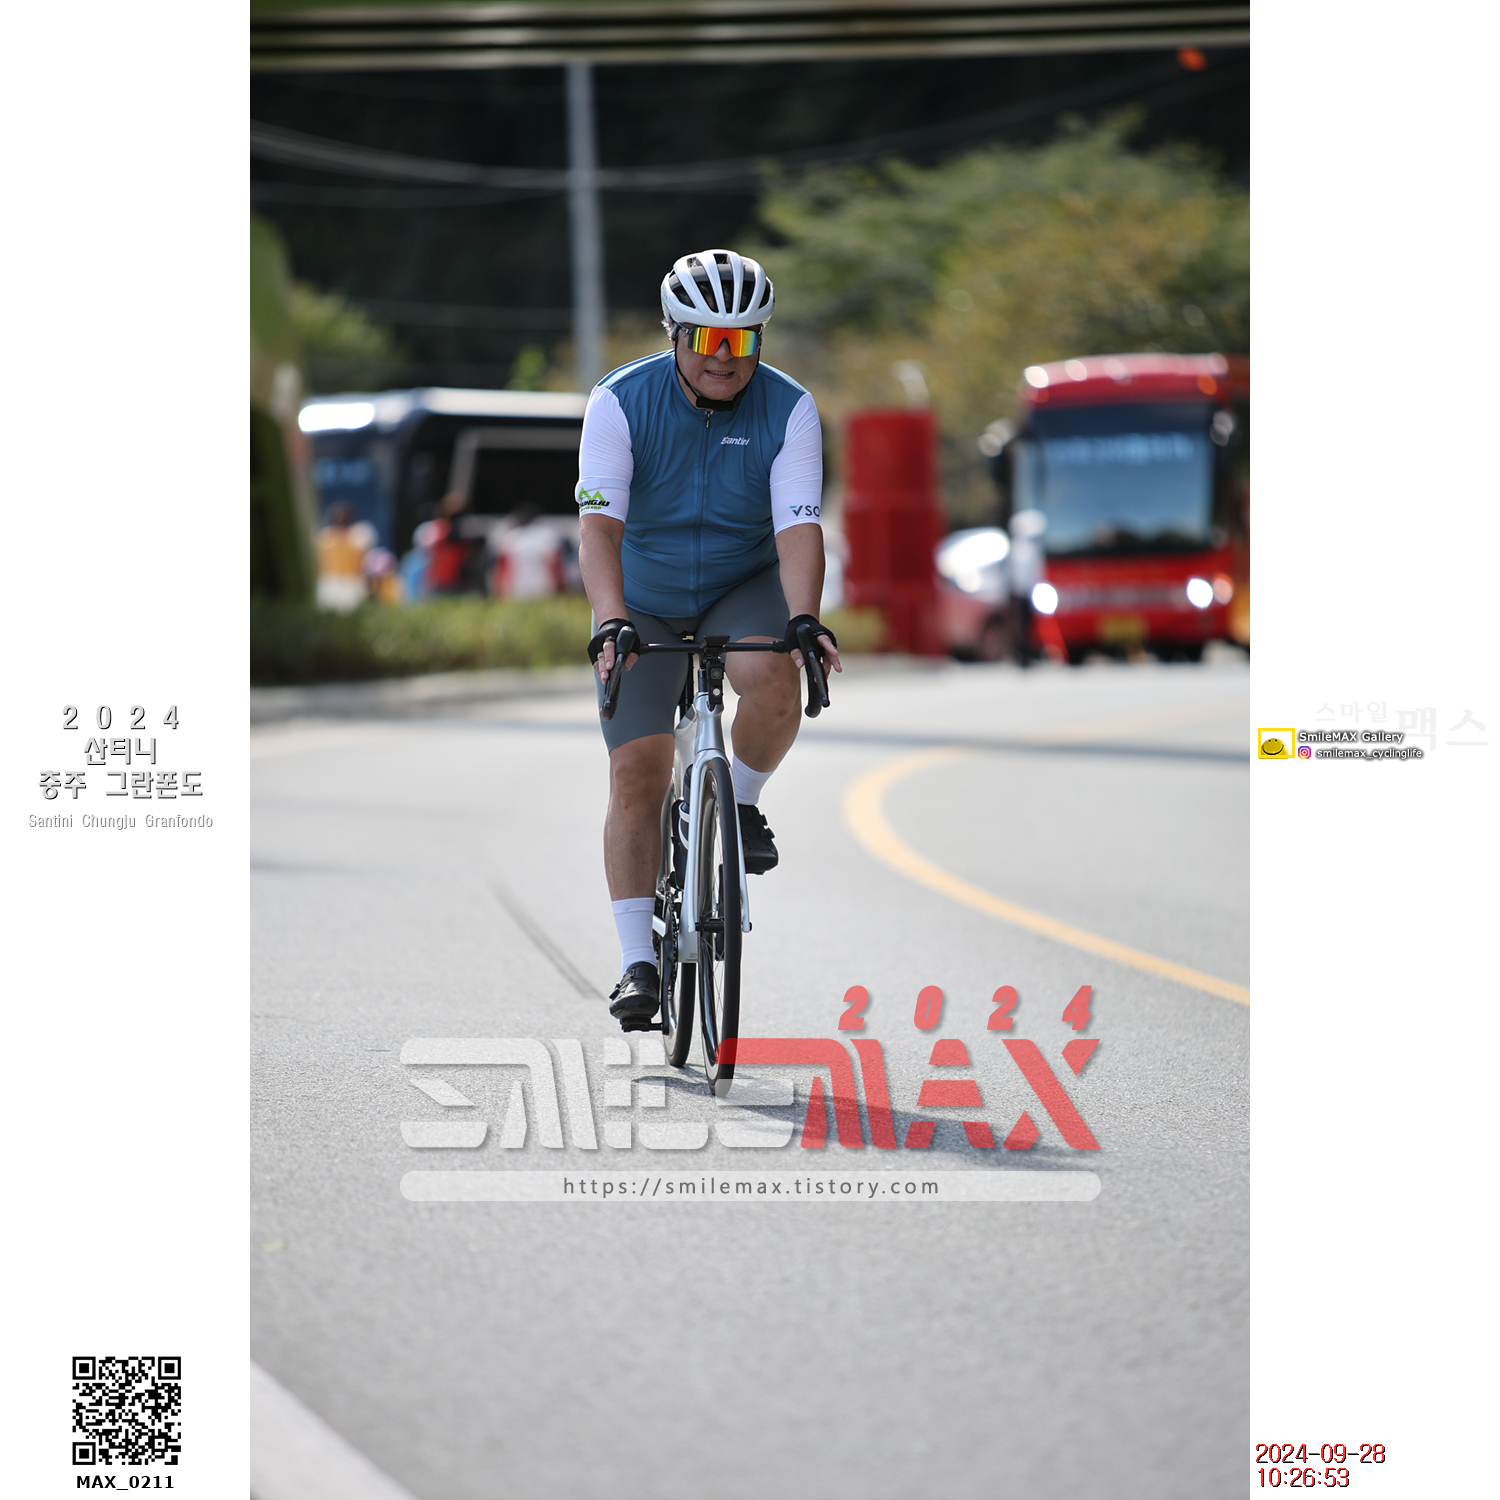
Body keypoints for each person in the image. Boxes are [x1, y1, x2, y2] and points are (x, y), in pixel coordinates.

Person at [577, 248, 841, 1029]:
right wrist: (611, 620)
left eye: (742, 341)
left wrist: (804, 618)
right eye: (707, 340)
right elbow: (598, 530)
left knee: (776, 675)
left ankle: (742, 805)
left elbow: (799, 527)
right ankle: (637, 962)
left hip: (739, 587)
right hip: (643, 597)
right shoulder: (619, 401)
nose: (724, 358)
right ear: (675, 335)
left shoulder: (790, 408)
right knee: (637, 772)